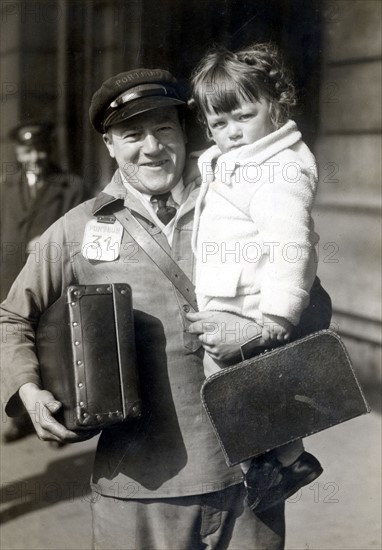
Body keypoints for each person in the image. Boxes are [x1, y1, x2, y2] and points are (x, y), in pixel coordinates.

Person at [0, 68, 330, 549]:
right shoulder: (77, 229)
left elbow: (313, 301)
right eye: (132, 134)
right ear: (109, 145)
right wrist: (28, 391)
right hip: (139, 488)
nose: (152, 147)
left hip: (251, 478)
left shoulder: (240, 202)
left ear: (183, 133)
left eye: (165, 129)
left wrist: (259, 331)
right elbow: (12, 316)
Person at [189, 43, 328, 512]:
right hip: (231, 291)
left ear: (277, 104)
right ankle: (286, 460)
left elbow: (291, 243)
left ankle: (271, 467)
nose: (232, 133)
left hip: (253, 300)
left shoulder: (279, 169)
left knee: (231, 386)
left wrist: (278, 315)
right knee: (244, 388)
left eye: (243, 116)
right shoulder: (234, 160)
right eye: (218, 125)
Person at [0, 121, 86, 443]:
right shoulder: (5, 187)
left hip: (52, 278)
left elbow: (80, 232)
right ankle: (24, 417)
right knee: (18, 345)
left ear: (48, 150)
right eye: (27, 150)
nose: (34, 157)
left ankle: (60, 415)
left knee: (52, 346)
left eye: (39, 149)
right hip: (10, 277)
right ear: (19, 153)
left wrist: (50, 243)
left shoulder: (71, 185)